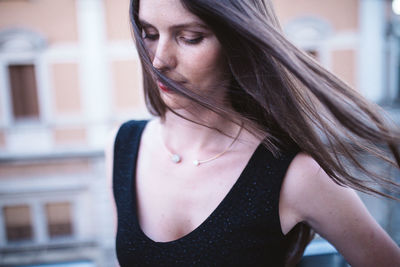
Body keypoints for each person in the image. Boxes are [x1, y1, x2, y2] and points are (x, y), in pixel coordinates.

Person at [105, 0, 400, 266]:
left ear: (237, 40)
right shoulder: (123, 148)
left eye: (189, 38)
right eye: (150, 34)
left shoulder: (296, 173)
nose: (158, 60)